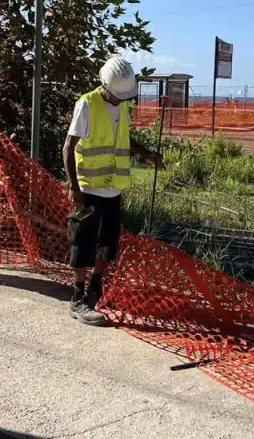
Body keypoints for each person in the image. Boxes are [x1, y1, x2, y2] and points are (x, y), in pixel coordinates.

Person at [62, 57, 163, 326]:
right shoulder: (87, 103)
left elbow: (124, 140)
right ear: (105, 86)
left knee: (107, 244)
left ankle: (96, 287)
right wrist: (75, 188)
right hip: (89, 188)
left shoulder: (122, 106)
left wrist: (148, 154)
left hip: (113, 189)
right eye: (118, 96)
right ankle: (78, 297)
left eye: (124, 97)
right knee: (82, 242)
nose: (121, 100)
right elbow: (68, 147)